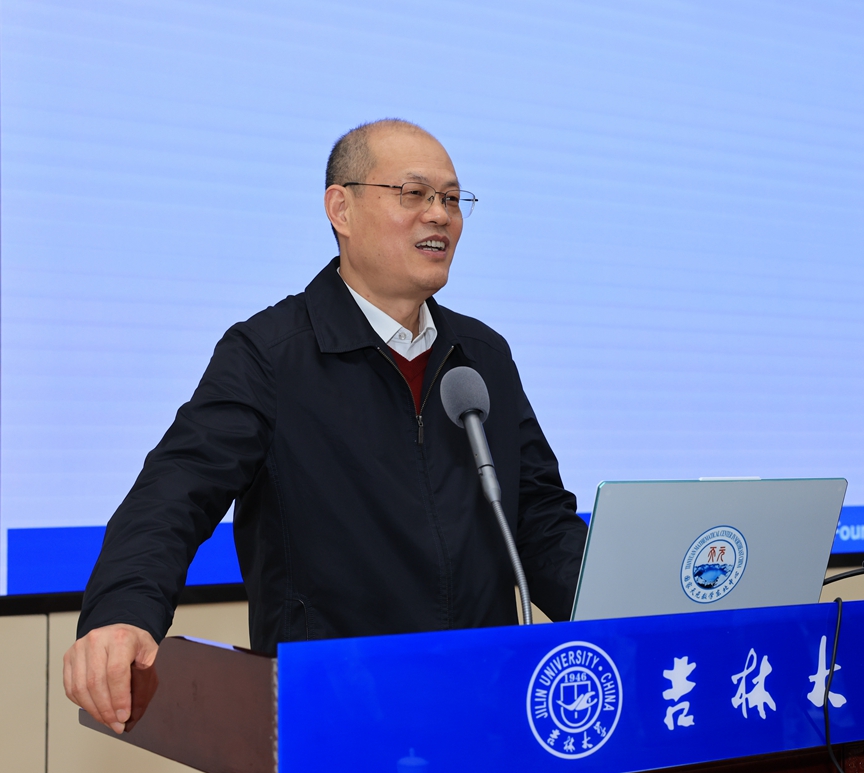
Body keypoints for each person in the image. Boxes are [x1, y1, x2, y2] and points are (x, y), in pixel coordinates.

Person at [62, 119, 586, 733]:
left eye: (451, 198)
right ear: (341, 208)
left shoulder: (482, 357)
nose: (439, 215)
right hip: (335, 715)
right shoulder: (270, 355)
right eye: (414, 194)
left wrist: (641, 614)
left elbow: (540, 523)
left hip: (485, 706)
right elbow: (176, 491)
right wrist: (122, 612)